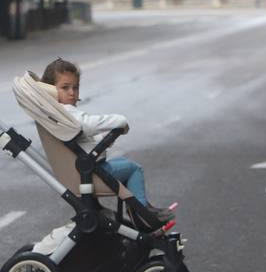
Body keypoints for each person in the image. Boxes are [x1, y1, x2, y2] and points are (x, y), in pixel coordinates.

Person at [41, 57, 175, 229]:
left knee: (125, 164)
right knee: (133, 169)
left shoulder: (56, 112)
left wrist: (101, 141)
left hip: (86, 169)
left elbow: (80, 137)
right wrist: (119, 120)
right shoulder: (66, 112)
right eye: (65, 87)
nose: (72, 92)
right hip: (89, 174)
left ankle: (127, 209)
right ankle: (141, 213)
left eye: (75, 87)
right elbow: (86, 124)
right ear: (51, 91)